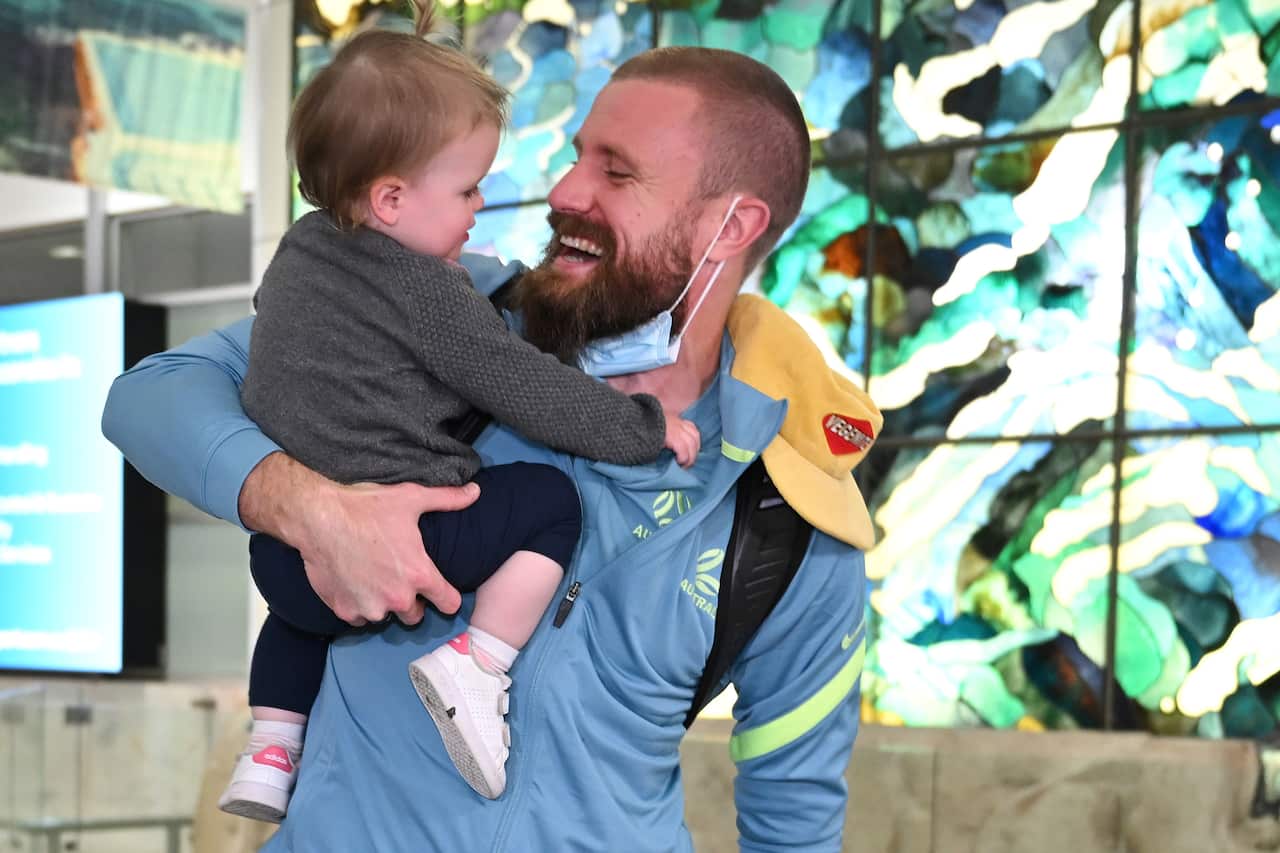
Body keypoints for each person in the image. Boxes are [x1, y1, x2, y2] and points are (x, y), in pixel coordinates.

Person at [102, 44, 881, 853]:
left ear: (735, 226)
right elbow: (150, 394)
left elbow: (793, 818)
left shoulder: (788, 515)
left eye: (617, 173)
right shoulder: (440, 305)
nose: (565, 192)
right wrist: (310, 506)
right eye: (578, 155)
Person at [216, 4, 702, 822]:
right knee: (549, 505)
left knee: (301, 618)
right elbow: (524, 386)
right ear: (393, 198)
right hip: (414, 541)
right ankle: (478, 664)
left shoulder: (299, 252)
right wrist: (646, 430)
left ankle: (271, 744)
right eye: (469, 186)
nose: (481, 204)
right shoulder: (430, 292)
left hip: (284, 557)